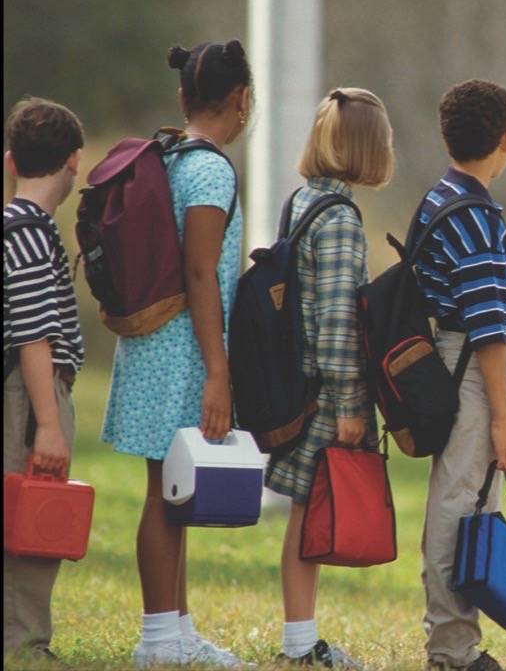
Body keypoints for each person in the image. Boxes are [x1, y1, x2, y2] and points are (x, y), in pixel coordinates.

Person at [100, 41, 252, 668]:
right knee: (166, 497)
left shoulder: (169, 155)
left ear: (183, 98)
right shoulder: (211, 170)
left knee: (175, 488)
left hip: (154, 340)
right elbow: (200, 274)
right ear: (242, 101)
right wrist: (219, 372)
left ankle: (179, 629)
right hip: (185, 349)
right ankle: (158, 639)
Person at [266, 88, 394, 668]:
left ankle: (300, 636)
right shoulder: (340, 220)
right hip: (324, 391)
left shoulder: (302, 201)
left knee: (303, 509)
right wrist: (349, 404)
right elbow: (338, 318)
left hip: (298, 379)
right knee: (309, 513)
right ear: (370, 148)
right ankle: (299, 643)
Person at [413, 80, 506, 671]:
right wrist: (503, 421)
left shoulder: (440, 196)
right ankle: (453, 651)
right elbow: (486, 327)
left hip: (451, 363)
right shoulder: (476, 217)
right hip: (470, 373)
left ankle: (460, 641)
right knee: (459, 505)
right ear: (505, 141)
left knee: (463, 501)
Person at [3, 97, 86, 664]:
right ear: (75, 161)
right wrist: (49, 425)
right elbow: (34, 336)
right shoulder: (30, 236)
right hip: (29, 395)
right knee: (31, 518)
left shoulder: (17, 226)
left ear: (11, 160)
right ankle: (24, 642)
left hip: (26, 390)